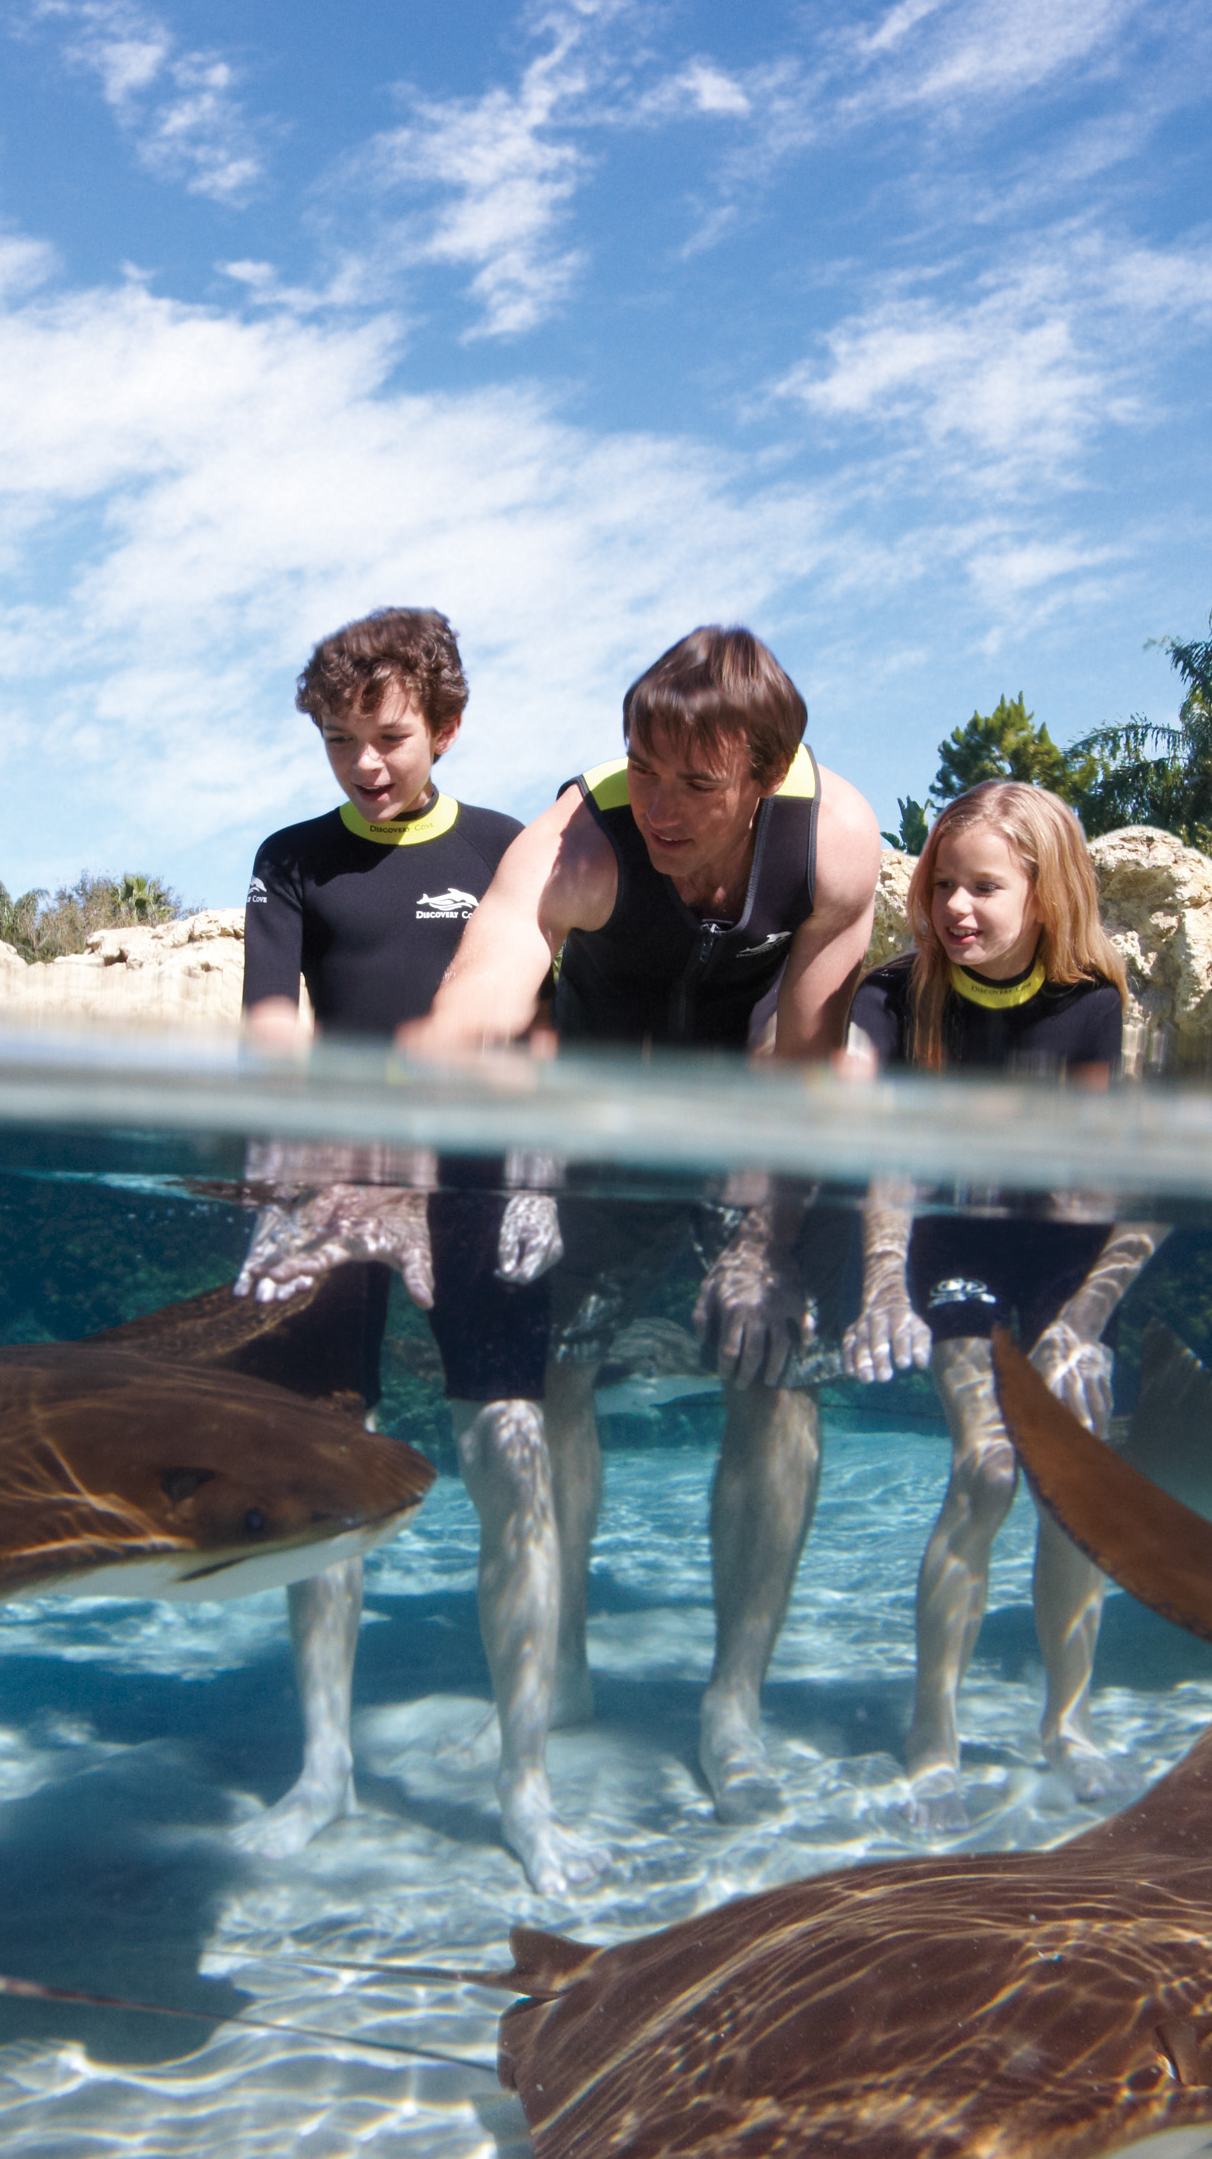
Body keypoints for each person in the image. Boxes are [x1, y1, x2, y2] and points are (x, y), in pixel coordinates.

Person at [399, 624, 886, 1825]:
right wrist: (429, 1067)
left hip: (759, 1100)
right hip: (599, 1117)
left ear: (764, 780)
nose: (659, 808)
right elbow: (494, 967)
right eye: (643, 770)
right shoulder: (581, 840)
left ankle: (734, 1701)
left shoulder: (835, 847)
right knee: (549, 1368)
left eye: (696, 785)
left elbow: (805, 1062)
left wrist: (765, 1247)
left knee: (774, 1375)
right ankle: (559, 1667)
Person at [226, 607, 584, 1896]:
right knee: (321, 1476)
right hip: (346, 1191)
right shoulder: (291, 861)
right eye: (339, 744)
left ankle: (525, 1787)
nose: (365, 767)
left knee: (514, 1456)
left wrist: (538, 1180)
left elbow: (540, 1038)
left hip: (483, 1190)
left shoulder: (505, 851)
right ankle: (324, 1768)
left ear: (444, 724)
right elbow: (274, 1030)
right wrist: (288, 1180)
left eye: (385, 738)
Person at [838, 780, 1167, 1826]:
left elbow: (1125, 1191)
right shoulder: (892, 999)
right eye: (941, 885)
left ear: (1045, 889)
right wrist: (883, 1281)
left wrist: (1081, 1326)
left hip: (1064, 1259)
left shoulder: (1092, 1006)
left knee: (1077, 1478)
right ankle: (933, 1725)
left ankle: (1065, 1720)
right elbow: (876, 1152)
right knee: (984, 1470)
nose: (956, 910)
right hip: (958, 1251)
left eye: (984, 886)